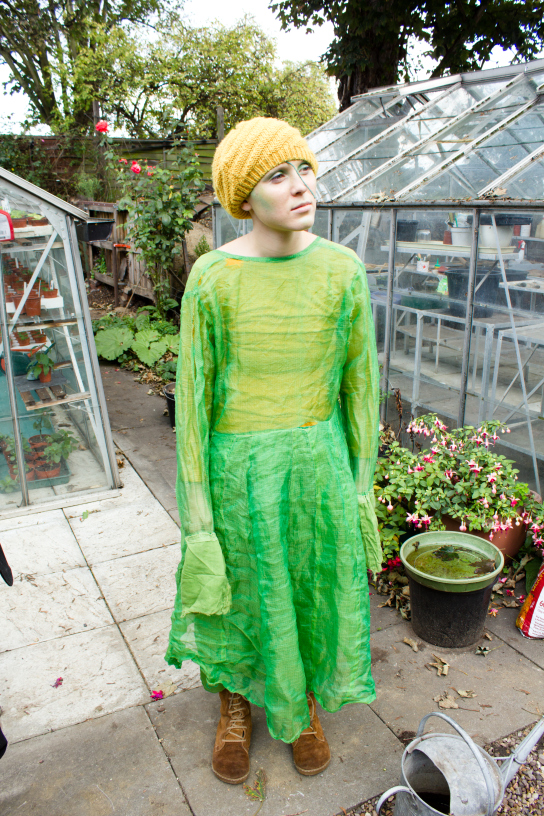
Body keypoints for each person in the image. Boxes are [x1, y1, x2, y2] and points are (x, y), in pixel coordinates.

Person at [166, 117, 381, 785]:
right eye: (277, 175)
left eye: (304, 169)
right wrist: (198, 508)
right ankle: (235, 699)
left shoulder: (342, 270)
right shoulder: (214, 276)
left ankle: (299, 699)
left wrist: (360, 484)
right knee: (242, 589)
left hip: (317, 466)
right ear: (243, 195)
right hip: (240, 472)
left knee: (309, 584)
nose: (300, 186)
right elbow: (193, 397)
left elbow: (361, 385)